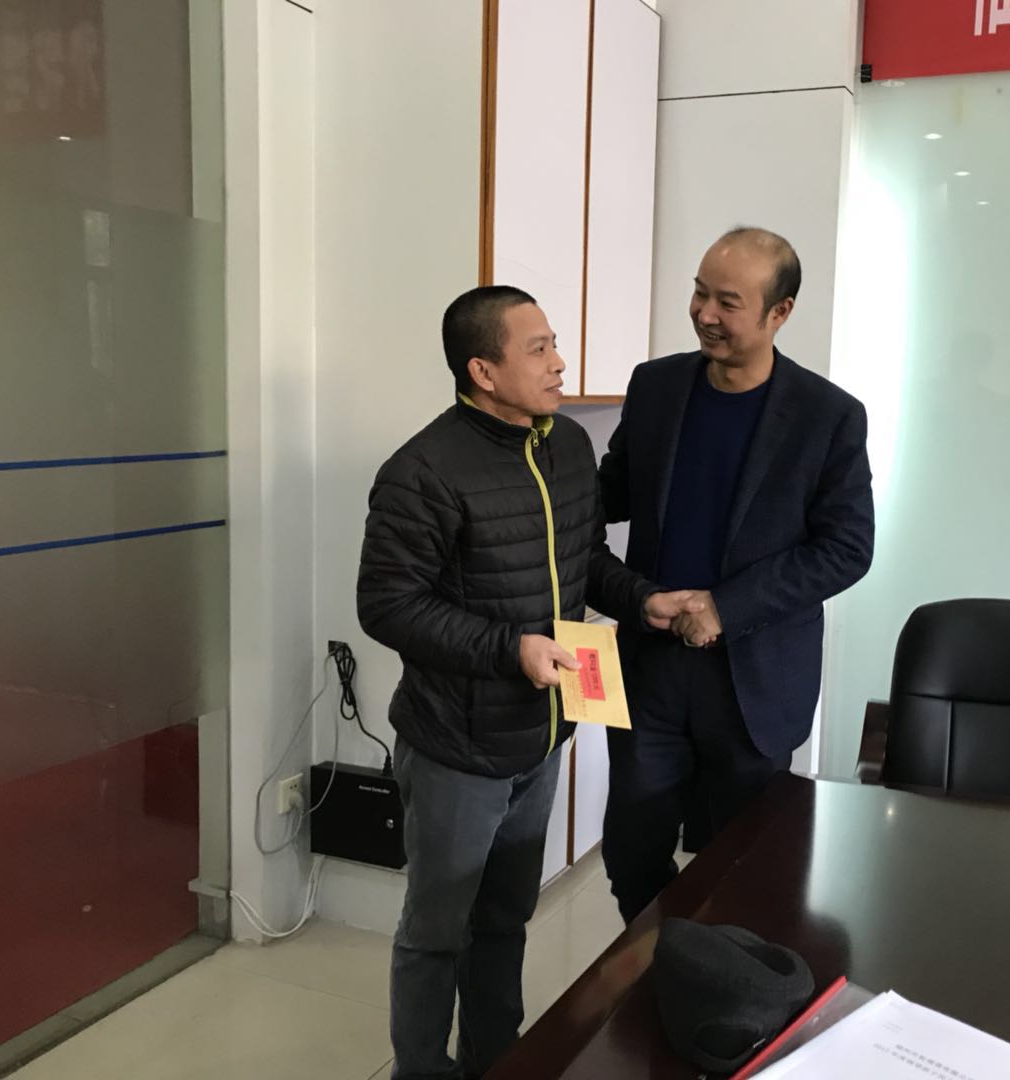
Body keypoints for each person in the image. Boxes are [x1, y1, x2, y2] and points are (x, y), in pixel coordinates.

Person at [357, 285, 702, 1080]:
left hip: (542, 736)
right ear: (483, 370)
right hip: (456, 745)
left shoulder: (567, 446)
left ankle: (496, 1062)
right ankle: (421, 1070)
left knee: (506, 919)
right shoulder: (421, 471)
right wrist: (507, 648)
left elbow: (583, 563)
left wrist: (642, 600)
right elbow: (387, 605)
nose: (560, 363)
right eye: (539, 348)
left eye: (555, 344)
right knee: (436, 931)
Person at [598, 227, 875, 922]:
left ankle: (722, 977)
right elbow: (608, 496)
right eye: (699, 293)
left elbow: (847, 547)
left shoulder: (828, 416)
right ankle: (658, 967)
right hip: (650, 668)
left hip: (755, 678)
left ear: (780, 312)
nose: (704, 314)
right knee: (631, 853)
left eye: (727, 302)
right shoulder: (656, 386)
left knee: (743, 869)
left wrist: (726, 607)